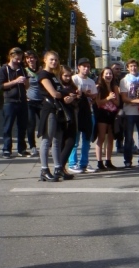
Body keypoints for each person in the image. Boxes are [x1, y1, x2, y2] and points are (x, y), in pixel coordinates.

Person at [36, 51, 76, 181]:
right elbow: (54, 93)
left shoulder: (53, 75)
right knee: (47, 140)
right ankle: (44, 170)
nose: (54, 62)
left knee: (57, 140)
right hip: (49, 110)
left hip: (58, 110)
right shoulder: (43, 75)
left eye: (56, 60)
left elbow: (60, 93)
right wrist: (65, 93)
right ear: (45, 60)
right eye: (51, 59)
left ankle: (58, 168)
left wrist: (66, 96)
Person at [119, 59, 139, 169]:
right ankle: (127, 161)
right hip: (129, 112)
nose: (134, 68)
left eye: (135, 66)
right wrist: (138, 101)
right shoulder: (124, 80)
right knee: (128, 138)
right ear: (128, 68)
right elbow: (124, 98)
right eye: (131, 66)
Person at [68, 58, 98, 173]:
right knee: (75, 140)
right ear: (78, 67)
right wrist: (82, 94)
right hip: (76, 112)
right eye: (84, 66)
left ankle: (84, 163)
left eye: (88, 66)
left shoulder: (91, 82)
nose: (86, 68)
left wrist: (91, 97)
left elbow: (94, 96)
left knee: (87, 140)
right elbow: (71, 93)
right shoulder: (74, 79)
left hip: (88, 112)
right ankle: (72, 163)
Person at [0, 47, 29, 158]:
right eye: (16, 59)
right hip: (10, 101)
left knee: (22, 126)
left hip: (22, 101)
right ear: (11, 56)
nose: (18, 61)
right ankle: (7, 149)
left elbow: (27, 86)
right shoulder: (4, 69)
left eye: (20, 59)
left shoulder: (22, 69)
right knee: (8, 126)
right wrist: (15, 81)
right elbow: (1, 86)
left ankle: (22, 149)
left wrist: (26, 82)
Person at [94, 67, 120, 171]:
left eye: (110, 74)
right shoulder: (99, 87)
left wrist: (112, 99)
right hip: (102, 113)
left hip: (112, 113)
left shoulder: (115, 87)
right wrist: (108, 98)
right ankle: (99, 162)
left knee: (110, 138)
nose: (109, 76)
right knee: (101, 137)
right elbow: (98, 103)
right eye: (107, 74)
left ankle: (108, 161)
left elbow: (118, 103)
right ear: (102, 75)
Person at [57, 65, 80, 180]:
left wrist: (76, 96)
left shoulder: (72, 85)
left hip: (71, 115)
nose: (68, 78)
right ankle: (59, 168)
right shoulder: (57, 85)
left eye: (69, 76)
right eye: (65, 76)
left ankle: (61, 167)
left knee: (70, 141)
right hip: (61, 116)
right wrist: (66, 97)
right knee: (66, 142)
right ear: (60, 75)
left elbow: (77, 99)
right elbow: (57, 97)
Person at [24, 50, 42, 157]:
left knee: (45, 123)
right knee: (31, 125)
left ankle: (46, 144)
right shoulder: (25, 71)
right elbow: (22, 86)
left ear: (36, 59)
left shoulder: (41, 70)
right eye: (27, 58)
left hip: (41, 101)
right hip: (30, 102)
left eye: (32, 57)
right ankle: (33, 147)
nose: (30, 60)